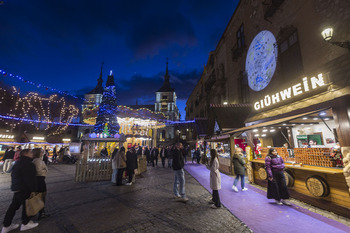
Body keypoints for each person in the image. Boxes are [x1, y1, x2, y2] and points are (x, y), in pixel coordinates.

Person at [1, 149, 39, 233]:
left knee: (13, 207)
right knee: (27, 206)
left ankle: (6, 225)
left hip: (17, 188)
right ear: (25, 154)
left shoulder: (18, 162)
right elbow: (30, 179)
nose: (32, 154)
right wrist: (34, 189)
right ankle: (25, 223)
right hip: (24, 189)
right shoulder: (28, 164)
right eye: (30, 152)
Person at [32, 148, 49, 220]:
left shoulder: (37, 160)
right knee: (41, 196)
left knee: (40, 196)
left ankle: (40, 212)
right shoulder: (38, 161)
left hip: (38, 180)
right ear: (37, 153)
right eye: (41, 152)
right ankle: (41, 213)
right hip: (40, 180)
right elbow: (38, 171)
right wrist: (45, 171)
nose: (43, 153)